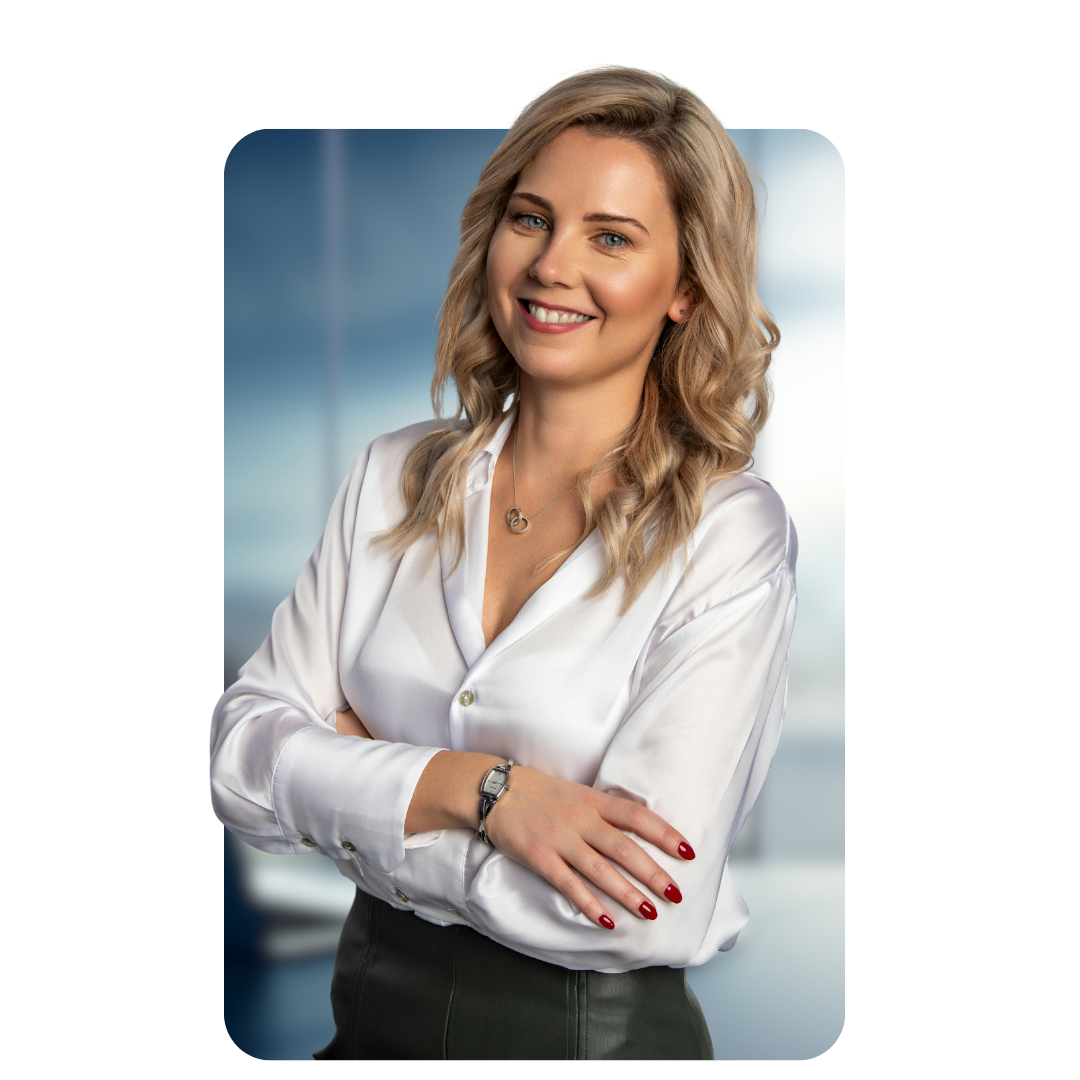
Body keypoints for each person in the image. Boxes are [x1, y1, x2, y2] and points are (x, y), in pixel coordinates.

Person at [211, 66, 795, 1061]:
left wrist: (353, 779)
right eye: (532, 220)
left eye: (611, 238)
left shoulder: (729, 532)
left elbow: (635, 909)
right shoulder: (390, 475)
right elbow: (238, 760)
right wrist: (483, 793)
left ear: (688, 288)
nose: (550, 266)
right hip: (363, 1023)